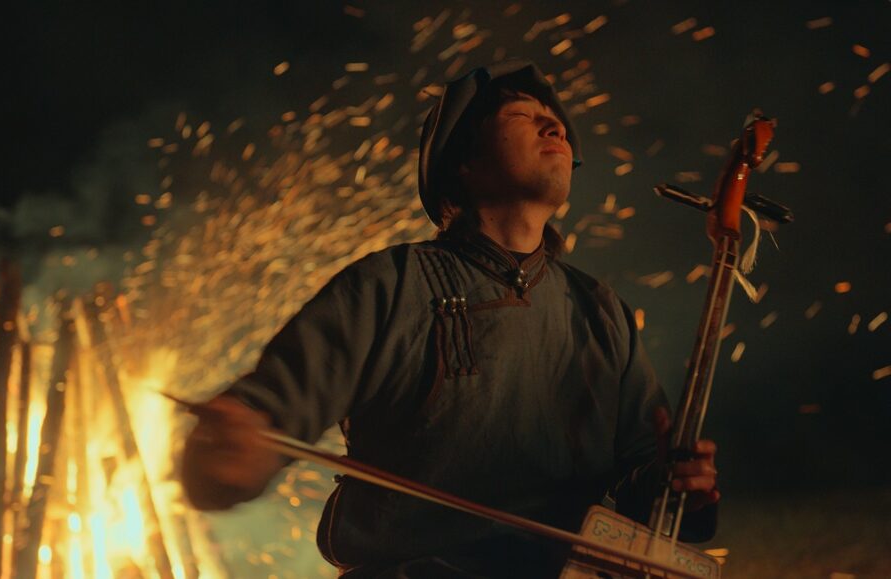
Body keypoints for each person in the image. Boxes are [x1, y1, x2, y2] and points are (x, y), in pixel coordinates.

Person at [181, 60, 720, 578]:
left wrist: (678, 485)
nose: (554, 123)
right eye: (521, 116)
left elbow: (646, 481)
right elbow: (265, 419)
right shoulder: (388, 286)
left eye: (553, 119)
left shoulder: (601, 311)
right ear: (465, 161)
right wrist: (230, 453)